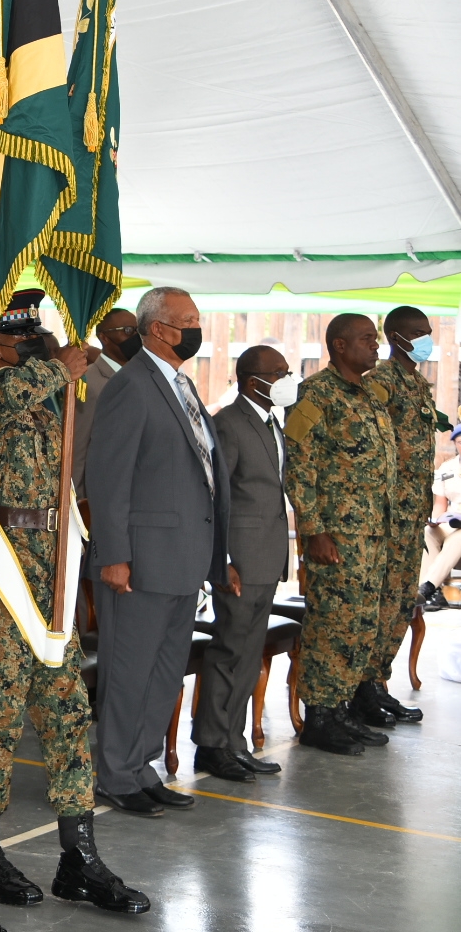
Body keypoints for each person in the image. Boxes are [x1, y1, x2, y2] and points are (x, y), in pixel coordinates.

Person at [0, 290, 147, 914]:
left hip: (53, 570)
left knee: (68, 717)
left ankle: (79, 857)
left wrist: (61, 374)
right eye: (23, 339)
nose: (37, 348)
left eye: (38, 338)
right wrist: (55, 367)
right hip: (1, 574)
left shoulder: (48, 395)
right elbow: (2, 402)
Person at [86, 286, 229, 815]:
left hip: (184, 555)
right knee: (129, 668)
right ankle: (116, 774)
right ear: (159, 330)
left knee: (165, 669)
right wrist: (114, 554)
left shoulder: (179, 383)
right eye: (188, 319)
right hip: (141, 560)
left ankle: (141, 765)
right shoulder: (132, 386)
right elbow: (108, 477)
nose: (197, 327)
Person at [285, 313, 398, 756]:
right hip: (338, 534)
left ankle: (343, 708)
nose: (376, 346)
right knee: (331, 624)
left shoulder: (371, 394)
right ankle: (319, 716)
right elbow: (299, 465)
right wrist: (314, 530)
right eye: (367, 339)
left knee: (361, 624)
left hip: (374, 533)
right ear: (338, 345)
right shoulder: (316, 395)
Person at [192, 344, 292, 782]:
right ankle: (212, 745)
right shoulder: (229, 424)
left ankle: (233, 742)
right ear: (255, 381)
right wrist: (224, 559)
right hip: (241, 559)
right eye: (281, 372)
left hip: (267, 554)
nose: (289, 379)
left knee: (249, 652)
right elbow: (216, 496)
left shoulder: (272, 422)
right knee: (230, 648)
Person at [360, 306, 435, 724]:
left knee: (400, 603)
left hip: (411, 516)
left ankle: (376, 683)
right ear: (394, 336)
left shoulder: (418, 384)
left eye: (428, 331)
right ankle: (362, 691)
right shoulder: (381, 384)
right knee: (379, 603)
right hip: (385, 517)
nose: (426, 339)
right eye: (418, 332)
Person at [71, 308, 137, 498]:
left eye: (137, 330)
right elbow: (79, 447)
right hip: (100, 496)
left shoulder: (137, 377)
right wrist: (76, 503)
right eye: (127, 331)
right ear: (104, 338)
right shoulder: (90, 383)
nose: (135, 336)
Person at [421, 424, 461, 610]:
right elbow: (440, 504)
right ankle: (433, 592)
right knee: (428, 532)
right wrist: (434, 520)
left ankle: (428, 587)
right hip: (453, 518)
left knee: (458, 538)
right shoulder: (447, 468)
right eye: (459, 442)